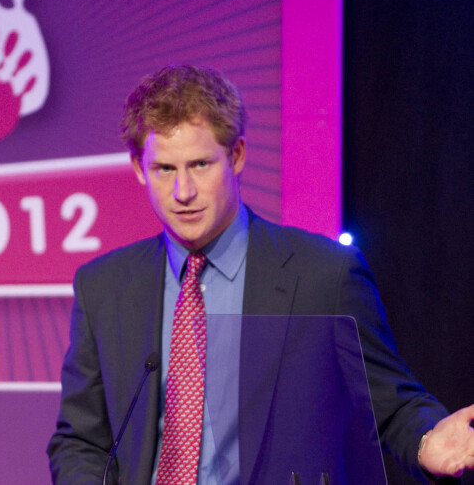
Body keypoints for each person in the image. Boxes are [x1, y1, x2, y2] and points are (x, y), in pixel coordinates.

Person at [47, 65, 474, 484]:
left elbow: (391, 405)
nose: (183, 192)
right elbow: (80, 441)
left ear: (237, 156)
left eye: (200, 164)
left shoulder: (325, 276)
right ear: (140, 168)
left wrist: (425, 440)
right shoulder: (102, 287)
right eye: (165, 170)